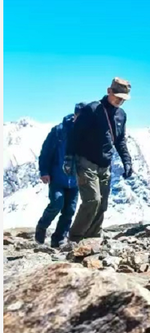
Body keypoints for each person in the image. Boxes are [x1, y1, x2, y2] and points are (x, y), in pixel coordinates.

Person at [65, 77, 133, 242]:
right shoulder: (92, 110)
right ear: (109, 91)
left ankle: (93, 237)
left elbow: (120, 141)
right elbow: (75, 134)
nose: (120, 101)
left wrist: (127, 161)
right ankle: (74, 237)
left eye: (123, 99)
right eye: (117, 96)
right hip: (86, 162)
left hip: (105, 165)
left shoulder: (121, 115)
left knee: (102, 204)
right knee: (92, 201)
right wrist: (68, 158)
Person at [35, 103, 86, 247]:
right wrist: (44, 171)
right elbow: (46, 152)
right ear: (75, 115)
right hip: (57, 176)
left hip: (76, 179)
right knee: (57, 203)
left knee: (69, 210)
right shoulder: (59, 130)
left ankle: (59, 239)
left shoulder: (88, 133)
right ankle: (42, 226)